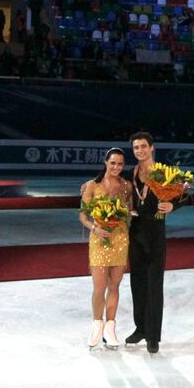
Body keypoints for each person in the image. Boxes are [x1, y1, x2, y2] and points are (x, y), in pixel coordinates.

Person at [125, 131, 176, 354]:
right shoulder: (132, 173)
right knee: (137, 281)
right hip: (135, 231)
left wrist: (173, 206)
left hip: (155, 232)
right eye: (136, 148)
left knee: (154, 285)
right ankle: (141, 328)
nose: (140, 151)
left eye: (143, 146)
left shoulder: (164, 173)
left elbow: (184, 195)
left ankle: (153, 336)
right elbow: (114, 186)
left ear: (152, 147)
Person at [78, 148, 131, 350]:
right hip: (99, 239)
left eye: (120, 164)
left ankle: (110, 327)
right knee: (99, 287)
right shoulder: (92, 185)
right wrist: (95, 227)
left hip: (120, 239)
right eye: (113, 163)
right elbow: (82, 215)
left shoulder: (127, 186)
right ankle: (97, 324)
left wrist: (124, 214)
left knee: (115, 286)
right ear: (105, 162)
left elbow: (130, 211)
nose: (116, 167)